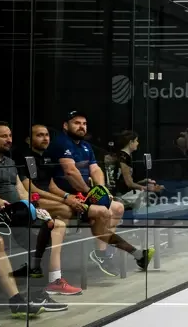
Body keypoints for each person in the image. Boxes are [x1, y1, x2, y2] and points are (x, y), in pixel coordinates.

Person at [50, 111, 153, 273]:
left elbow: (96, 169)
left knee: (118, 208)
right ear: (65, 125)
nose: (81, 127)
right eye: (77, 123)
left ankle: (102, 252)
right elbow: (70, 171)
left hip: (86, 194)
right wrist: (90, 191)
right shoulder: (62, 143)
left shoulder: (85, 146)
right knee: (104, 211)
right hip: (67, 195)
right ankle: (104, 253)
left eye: (84, 124)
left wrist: (101, 189)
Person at [0, 122, 80, 298]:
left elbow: (21, 190)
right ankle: (37, 293)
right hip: (3, 215)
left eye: (10, 136)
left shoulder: (10, 162)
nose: (9, 140)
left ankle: (53, 281)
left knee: (55, 225)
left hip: (20, 211)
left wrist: (33, 208)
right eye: (4, 136)